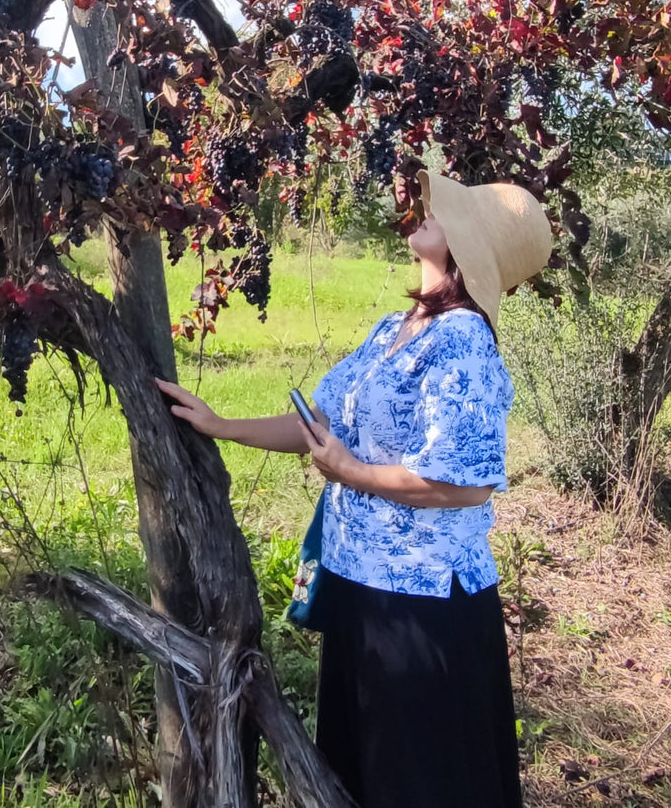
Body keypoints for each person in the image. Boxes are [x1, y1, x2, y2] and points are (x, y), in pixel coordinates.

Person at [156, 170, 552, 808]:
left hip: (423, 606)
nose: (427, 210)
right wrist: (221, 425)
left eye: (450, 212)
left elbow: (464, 486)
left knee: (416, 783)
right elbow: (321, 424)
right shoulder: (394, 328)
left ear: (468, 249)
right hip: (362, 586)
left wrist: (351, 473)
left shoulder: (464, 342)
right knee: (364, 772)